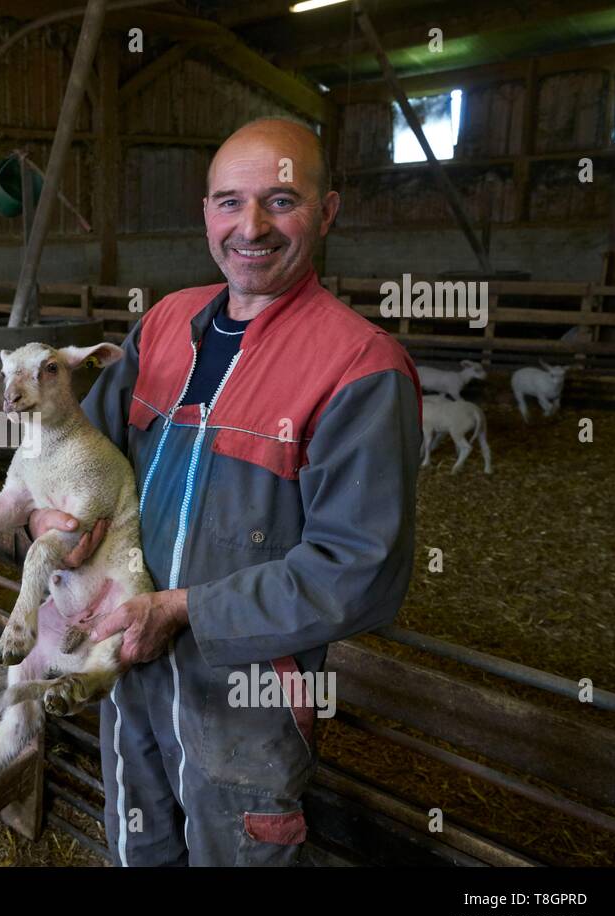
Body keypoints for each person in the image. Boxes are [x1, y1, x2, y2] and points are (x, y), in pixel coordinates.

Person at [27, 117, 423, 866]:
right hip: (127, 665)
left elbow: (359, 572)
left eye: (281, 200)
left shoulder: (359, 368)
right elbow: (85, 454)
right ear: (205, 211)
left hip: (246, 697)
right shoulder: (165, 322)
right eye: (229, 202)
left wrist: (182, 610)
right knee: (138, 849)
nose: (252, 227)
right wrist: (52, 517)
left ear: (328, 210)